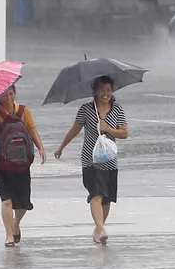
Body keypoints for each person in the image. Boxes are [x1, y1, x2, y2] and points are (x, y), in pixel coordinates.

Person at [54, 76, 129, 245]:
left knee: (107, 198)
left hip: (109, 159)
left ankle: (98, 228)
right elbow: (74, 130)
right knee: (96, 194)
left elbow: (124, 133)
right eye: (102, 90)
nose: (105, 93)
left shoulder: (117, 109)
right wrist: (61, 147)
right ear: (95, 91)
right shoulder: (86, 109)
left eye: (109, 90)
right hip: (90, 159)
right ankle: (101, 229)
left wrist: (108, 129)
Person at [0, 84, 46, 247]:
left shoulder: (23, 111)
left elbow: (32, 130)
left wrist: (40, 147)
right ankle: (9, 235)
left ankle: (15, 223)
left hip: (21, 162)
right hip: (1, 162)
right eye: (5, 95)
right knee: (6, 200)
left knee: (24, 203)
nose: (9, 98)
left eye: (11, 94)